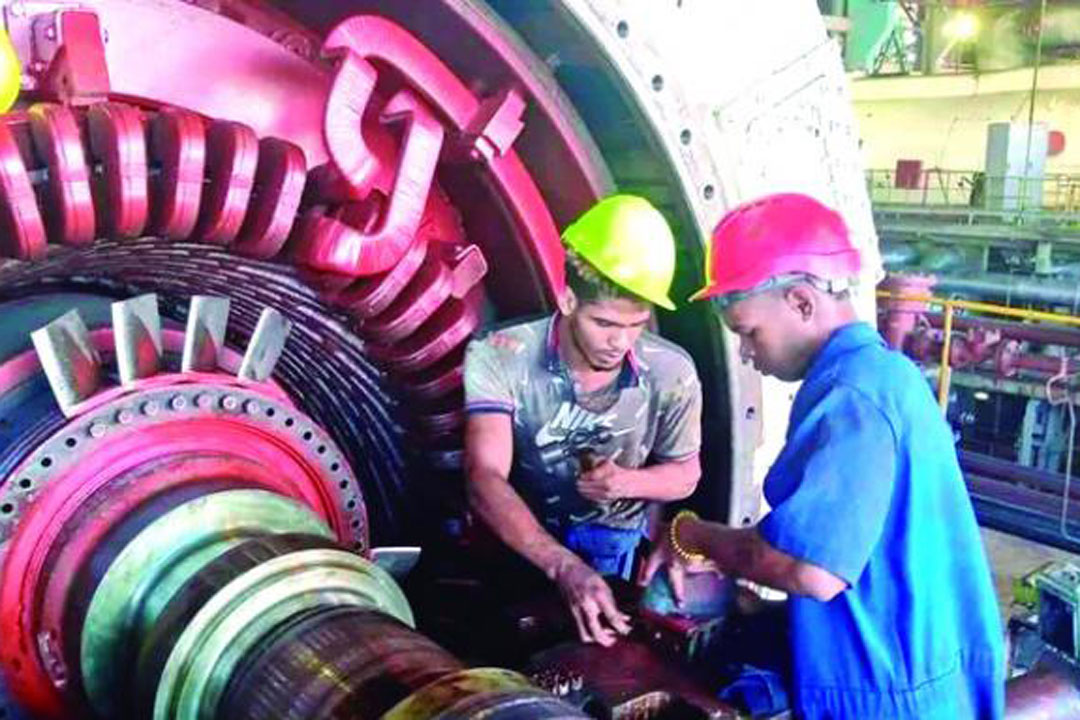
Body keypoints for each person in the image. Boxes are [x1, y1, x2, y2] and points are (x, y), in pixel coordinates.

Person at [640, 193, 1004, 718]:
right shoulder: (877, 378)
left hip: (887, 698)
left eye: (747, 332)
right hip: (917, 676)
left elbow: (811, 569)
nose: (745, 352)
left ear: (802, 302)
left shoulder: (854, 396)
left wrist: (690, 535)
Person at [464, 194, 703, 647]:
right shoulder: (499, 353)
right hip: (520, 540)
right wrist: (560, 564)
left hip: (611, 547)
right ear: (567, 297)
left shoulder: (672, 371)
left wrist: (627, 483)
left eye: (637, 324)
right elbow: (484, 477)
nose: (621, 341)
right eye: (605, 323)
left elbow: (686, 475)